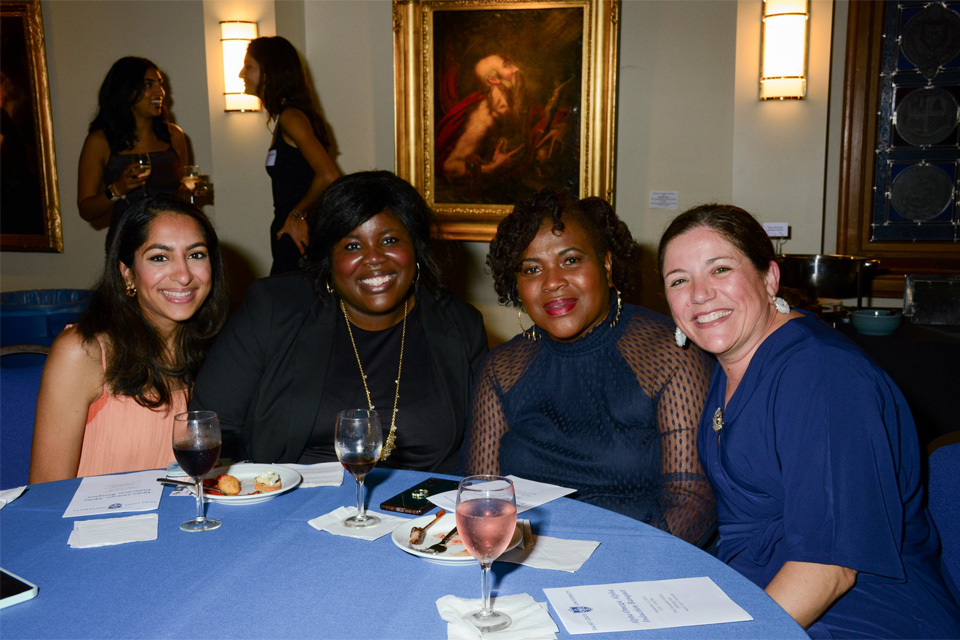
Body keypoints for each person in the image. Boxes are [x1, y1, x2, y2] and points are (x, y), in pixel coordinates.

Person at [658, 204, 960, 636]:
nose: (699, 294)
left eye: (720, 270)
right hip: (765, 599)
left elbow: (828, 570)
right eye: (679, 280)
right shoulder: (730, 366)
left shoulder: (821, 374)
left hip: (860, 616)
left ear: (768, 279)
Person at [461, 188, 716, 546]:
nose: (552, 282)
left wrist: (613, 568)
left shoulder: (670, 354)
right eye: (532, 269)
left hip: (637, 559)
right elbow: (480, 496)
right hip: (523, 558)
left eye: (570, 260)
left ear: (607, 266)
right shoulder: (502, 368)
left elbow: (691, 504)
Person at [191, 171, 488, 473]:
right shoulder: (274, 311)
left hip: (423, 510)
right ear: (327, 259)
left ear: (416, 249)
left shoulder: (461, 325)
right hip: (297, 506)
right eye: (352, 246)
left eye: (389, 240)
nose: (374, 258)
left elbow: (481, 446)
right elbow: (212, 426)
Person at [30, 196, 229, 483]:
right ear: (128, 274)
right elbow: (45, 495)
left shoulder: (222, 349)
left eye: (196, 254)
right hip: (94, 526)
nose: (184, 275)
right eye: (160, 257)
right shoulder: (83, 352)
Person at [239, 36, 340, 275]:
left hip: (298, 232)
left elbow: (329, 175)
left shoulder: (291, 117)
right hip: (292, 228)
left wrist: (297, 214)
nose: (241, 74)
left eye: (249, 66)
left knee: (287, 304)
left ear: (271, 72)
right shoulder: (285, 117)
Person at [77, 57, 191, 246]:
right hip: (127, 243)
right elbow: (86, 210)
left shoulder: (174, 136)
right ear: (126, 91)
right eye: (148, 85)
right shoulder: (100, 141)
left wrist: (191, 192)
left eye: (160, 84)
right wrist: (118, 188)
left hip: (174, 240)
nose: (160, 92)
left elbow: (182, 195)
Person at [435, 53, 575, 203]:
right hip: (491, 198)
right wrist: (492, 168)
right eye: (508, 66)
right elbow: (450, 168)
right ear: (493, 79)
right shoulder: (486, 117)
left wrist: (564, 125)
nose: (517, 68)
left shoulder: (516, 102)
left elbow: (542, 117)